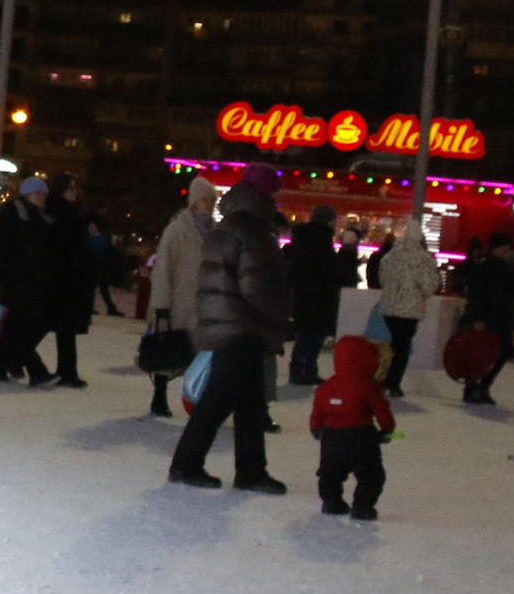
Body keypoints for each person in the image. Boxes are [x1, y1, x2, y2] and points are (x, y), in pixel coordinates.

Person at [169, 163, 290, 493]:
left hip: (229, 321)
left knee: (250, 402)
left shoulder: (230, 224)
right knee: (219, 399)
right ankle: (186, 464)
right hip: (241, 325)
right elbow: (256, 286)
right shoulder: (252, 230)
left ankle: (251, 471)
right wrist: (281, 314)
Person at [147, 178, 221, 418]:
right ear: (193, 201)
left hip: (205, 305)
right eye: (204, 200)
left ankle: (196, 401)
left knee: (201, 357)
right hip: (180, 301)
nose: (208, 205)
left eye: (212, 201)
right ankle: (159, 396)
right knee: (169, 350)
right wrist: (161, 305)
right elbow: (163, 270)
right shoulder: (177, 231)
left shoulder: (215, 233)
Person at [0, 177, 56, 385]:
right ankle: (36, 370)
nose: (42, 197)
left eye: (44, 194)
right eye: (38, 193)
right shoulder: (13, 213)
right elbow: (1, 245)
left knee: (7, 326)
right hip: (14, 279)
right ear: (27, 194)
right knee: (17, 325)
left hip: (29, 280)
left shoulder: (40, 216)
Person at [310, 335, 396, 518]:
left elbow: (317, 411)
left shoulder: (326, 387)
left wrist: (316, 428)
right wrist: (387, 429)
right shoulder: (369, 387)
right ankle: (362, 506)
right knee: (371, 474)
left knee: (330, 472)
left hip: (331, 438)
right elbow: (382, 411)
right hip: (361, 437)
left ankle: (331, 502)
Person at [457, 232, 514, 406]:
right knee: (482, 355)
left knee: (500, 353)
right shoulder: (484, 268)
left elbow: (512, 291)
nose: (506, 250)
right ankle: (474, 388)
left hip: (500, 319)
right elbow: (475, 296)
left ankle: (481, 387)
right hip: (488, 318)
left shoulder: (505, 268)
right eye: (504, 247)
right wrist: (477, 318)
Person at [375, 221, 442, 400]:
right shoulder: (423, 259)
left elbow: (382, 278)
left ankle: (384, 376)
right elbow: (429, 286)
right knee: (402, 348)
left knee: (394, 344)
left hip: (389, 307)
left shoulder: (390, 256)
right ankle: (393, 382)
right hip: (410, 309)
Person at [44, 173, 97, 389]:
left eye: (75, 187)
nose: (74, 192)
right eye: (70, 188)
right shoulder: (56, 211)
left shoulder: (74, 211)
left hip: (74, 278)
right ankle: (66, 371)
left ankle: (67, 371)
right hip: (62, 277)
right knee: (59, 325)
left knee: (65, 327)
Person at [285, 205, 345, 387]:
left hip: (303, 294)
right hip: (319, 296)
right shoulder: (322, 240)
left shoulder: (302, 238)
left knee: (306, 335)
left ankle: (301, 370)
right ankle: (305, 370)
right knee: (313, 336)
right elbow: (328, 269)